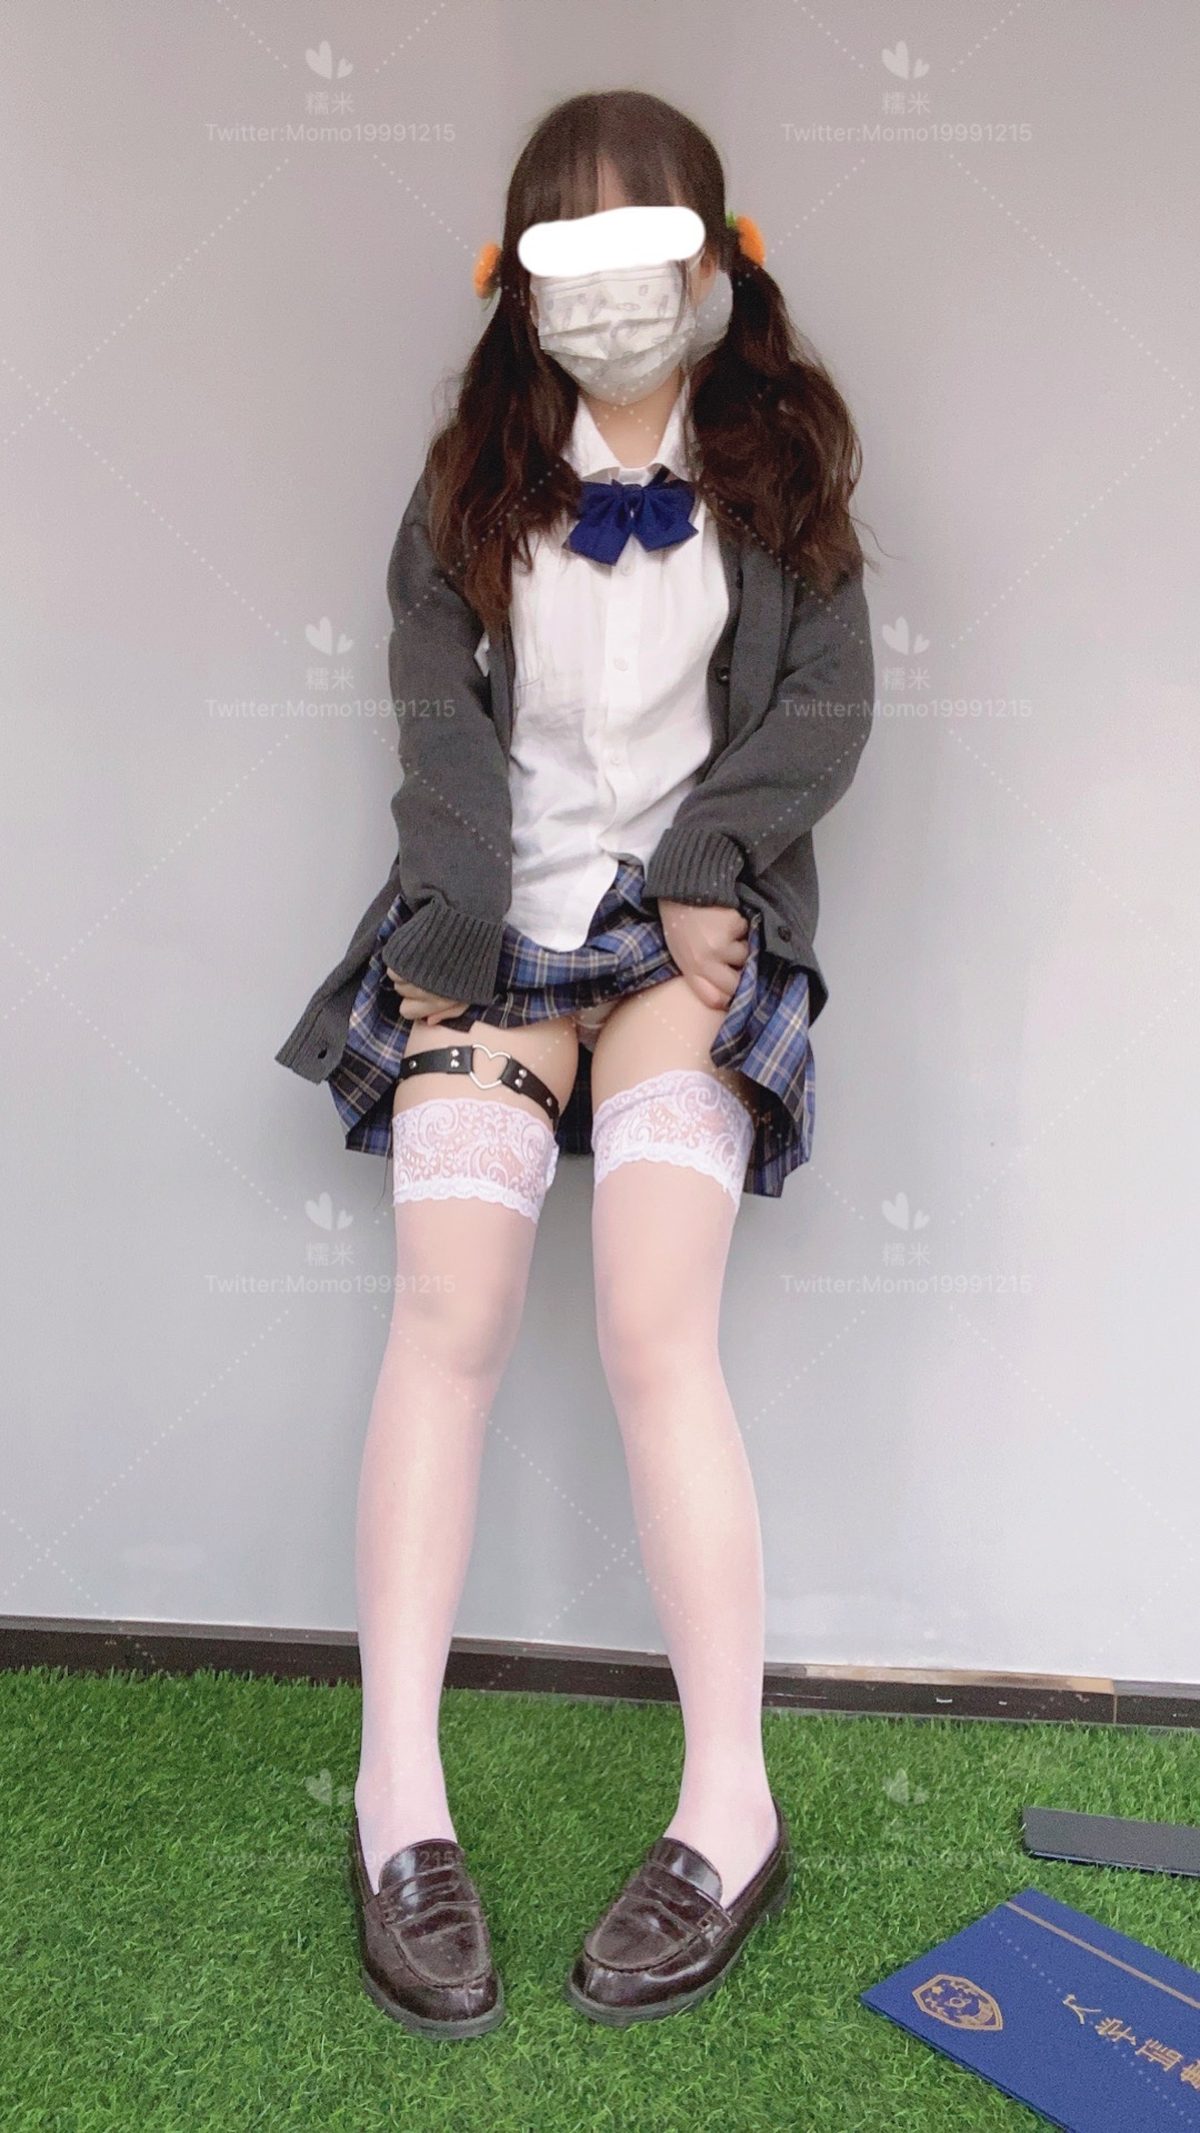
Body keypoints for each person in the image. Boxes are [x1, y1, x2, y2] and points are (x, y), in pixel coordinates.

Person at [274, 88, 876, 2036]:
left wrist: (714, 872)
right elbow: (433, 716)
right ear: (518, 278)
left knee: (649, 1326)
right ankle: (398, 1798)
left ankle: (732, 1803)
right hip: (496, 915)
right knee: (446, 1311)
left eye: (647, 252)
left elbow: (824, 707)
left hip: (683, 927)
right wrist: (454, 929)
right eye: (573, 257)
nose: (614, 294)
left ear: (716, 260)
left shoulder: (779, 465)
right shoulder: (475, 474)